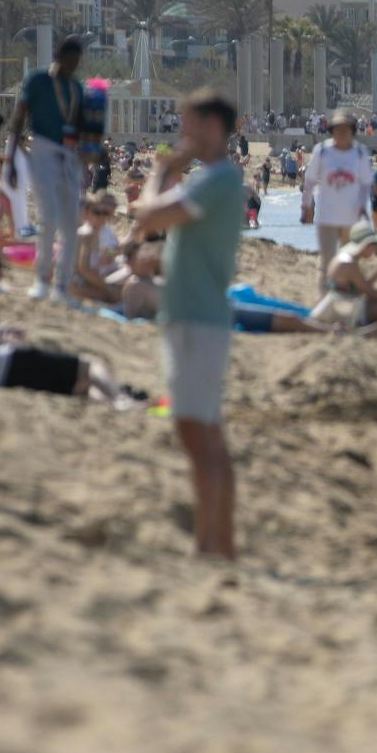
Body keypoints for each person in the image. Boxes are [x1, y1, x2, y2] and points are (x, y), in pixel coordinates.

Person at [131, 89, 245, 559]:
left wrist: (161, 171)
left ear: (212, 127)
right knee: (205, 434)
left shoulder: (216, 180)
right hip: (196, 317)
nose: (182, 134)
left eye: (189, 124)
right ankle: (218, 542)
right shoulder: (216, 180)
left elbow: (147, 217)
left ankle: (210, 543)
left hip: (198, 320)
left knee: (198, 436)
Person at [0, 251, 132, 401]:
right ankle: (121, 400)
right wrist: (8, 338)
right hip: (2, 365)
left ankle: (110, 401)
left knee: (75, 386)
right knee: (90, 364)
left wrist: (2, 331)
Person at [7, 36, 85, 300]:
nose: (73, 65)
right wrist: (11, 160)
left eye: (77, 61)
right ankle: (42, 278)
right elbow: (19, 117)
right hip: (41, 148)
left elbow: (80, 125)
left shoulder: (76, 87)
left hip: (68, 154)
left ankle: (62, 284)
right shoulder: (38, 80)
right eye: (69, 60)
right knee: (48, 215)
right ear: (58, 56)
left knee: (71, 221)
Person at [301, 110, 371, 291]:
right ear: (332, 131)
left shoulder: (360, 153)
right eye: (338, 130)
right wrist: (306, 205)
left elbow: (365, 184)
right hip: (327, 218)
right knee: (328, 262)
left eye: (346, 130)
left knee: (349, 261)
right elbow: (309, 181)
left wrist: (363, 206)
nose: (342, 133)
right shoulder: (323, 151)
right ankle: (324, 300)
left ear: (352, 131)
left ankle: (348, 300)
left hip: (351, 219)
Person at [312, 220, 377, 334]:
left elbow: (362, 287)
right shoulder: (350, 265)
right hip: (342, 312)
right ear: (366, 245)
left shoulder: (344, 258)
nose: (375, 250)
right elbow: (372, 294)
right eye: (374, 245)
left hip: (335, 306)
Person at [67, 192, 124, 305]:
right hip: (83, 281)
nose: (101, 216)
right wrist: (108, 288)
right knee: (115, 296)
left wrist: (110, 254)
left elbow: (116, 250)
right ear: (87, 213)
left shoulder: (107, 231)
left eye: (105, 213)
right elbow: (83, 269)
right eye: (97, 212)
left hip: (102, 274)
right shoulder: (85, 234)